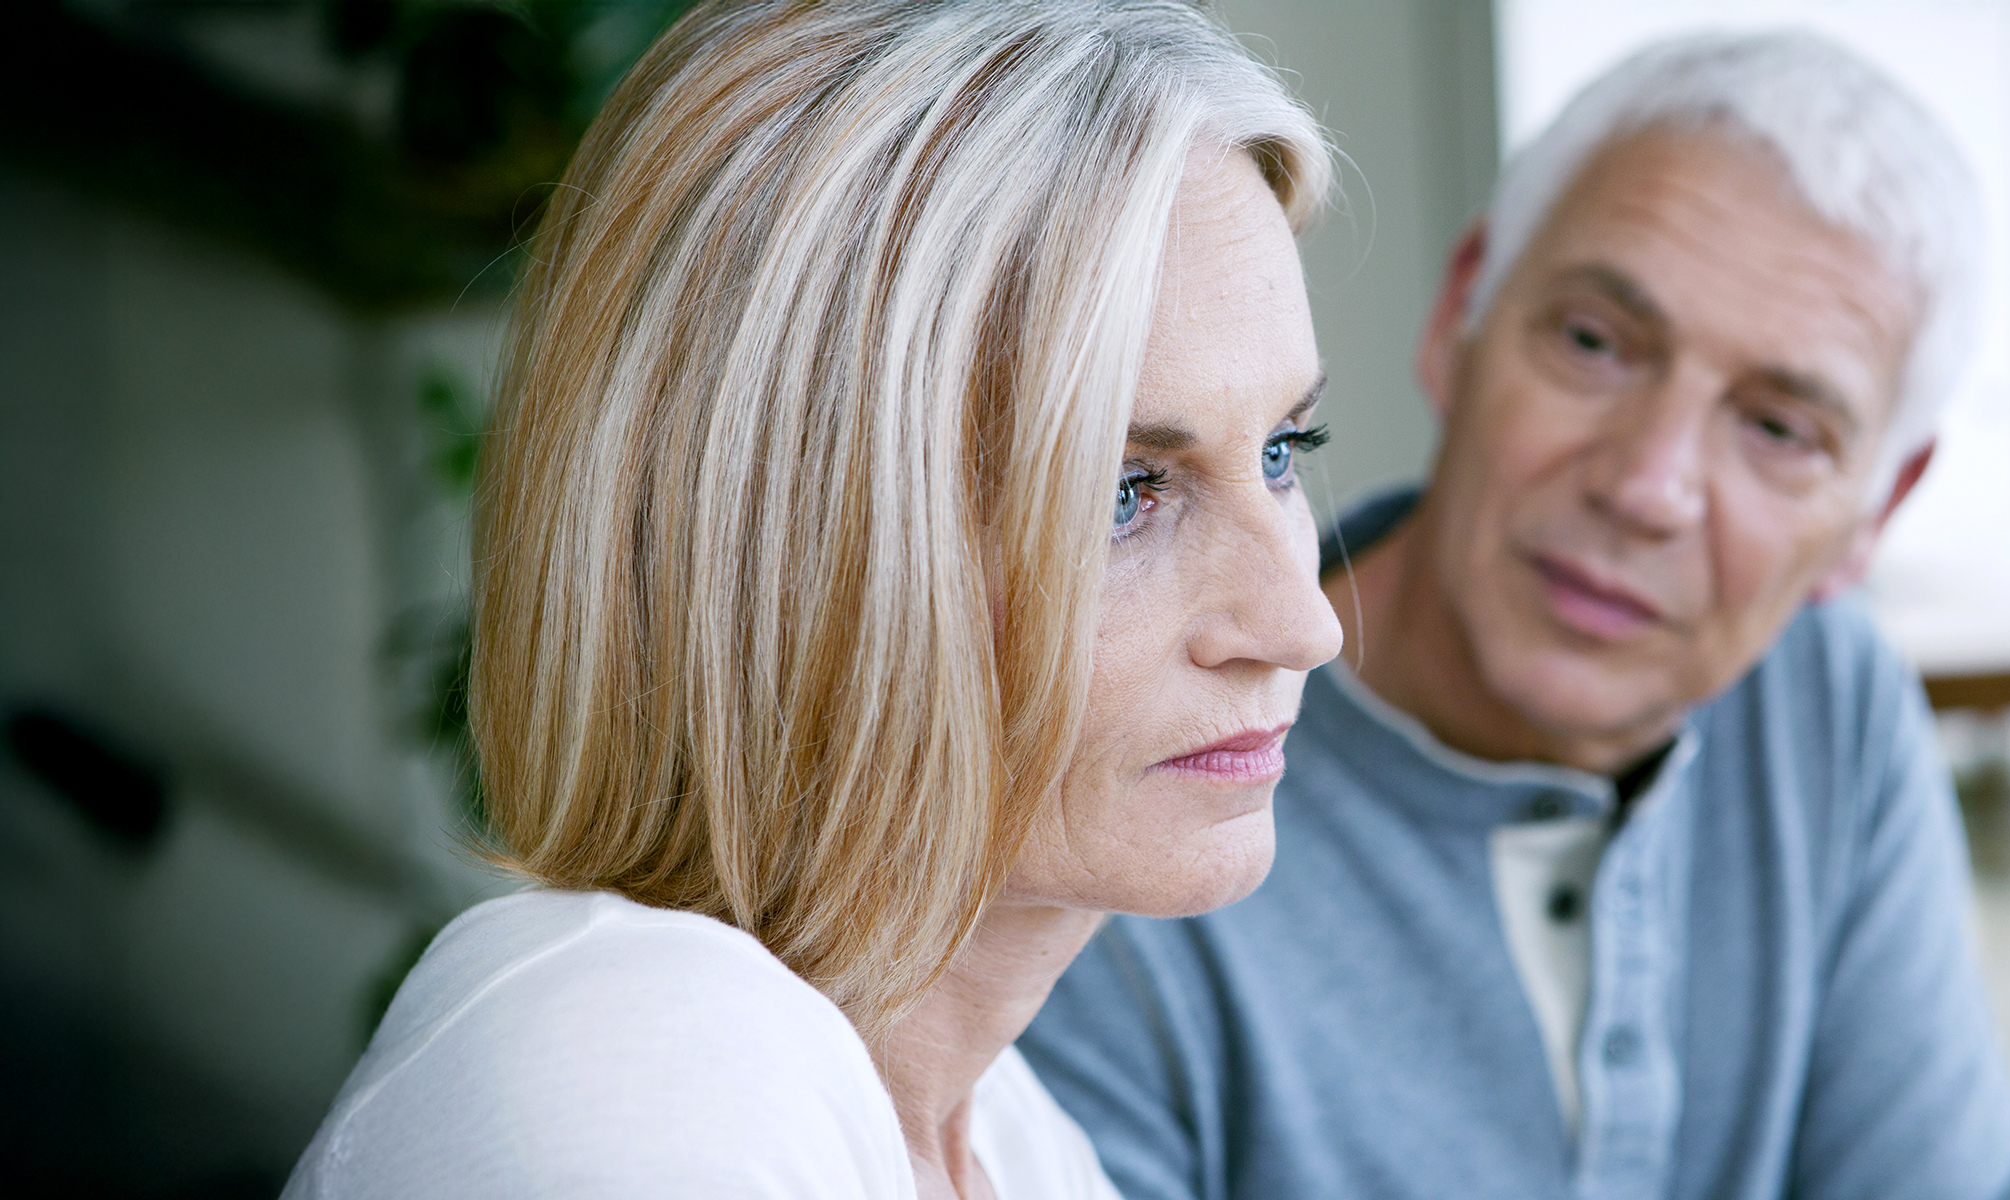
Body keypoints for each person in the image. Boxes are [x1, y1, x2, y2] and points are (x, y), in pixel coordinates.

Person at [281, 2, 1343, 1196]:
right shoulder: (647, 1065)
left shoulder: (1019, 1148)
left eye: (1281, 452)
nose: (1304, 623)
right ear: (796, 547)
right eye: (1120, 492)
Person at [1022, 29, 2010, 1200]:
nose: (1648, 485)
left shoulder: (1828, 701)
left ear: (1877, 511)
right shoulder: (1140, 773)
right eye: (1594, 344)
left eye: (1777, 429)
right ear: (1460, 316)